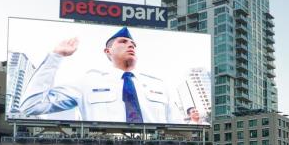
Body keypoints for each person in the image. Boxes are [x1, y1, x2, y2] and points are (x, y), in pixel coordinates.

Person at [18, 27, 182, 123]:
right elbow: (31, 106)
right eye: (123, 42)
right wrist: (56, 56)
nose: (130, 45)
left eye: (133, 44)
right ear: (107, 51)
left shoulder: (159, 85)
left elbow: (178, 127)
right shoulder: (87, 82)